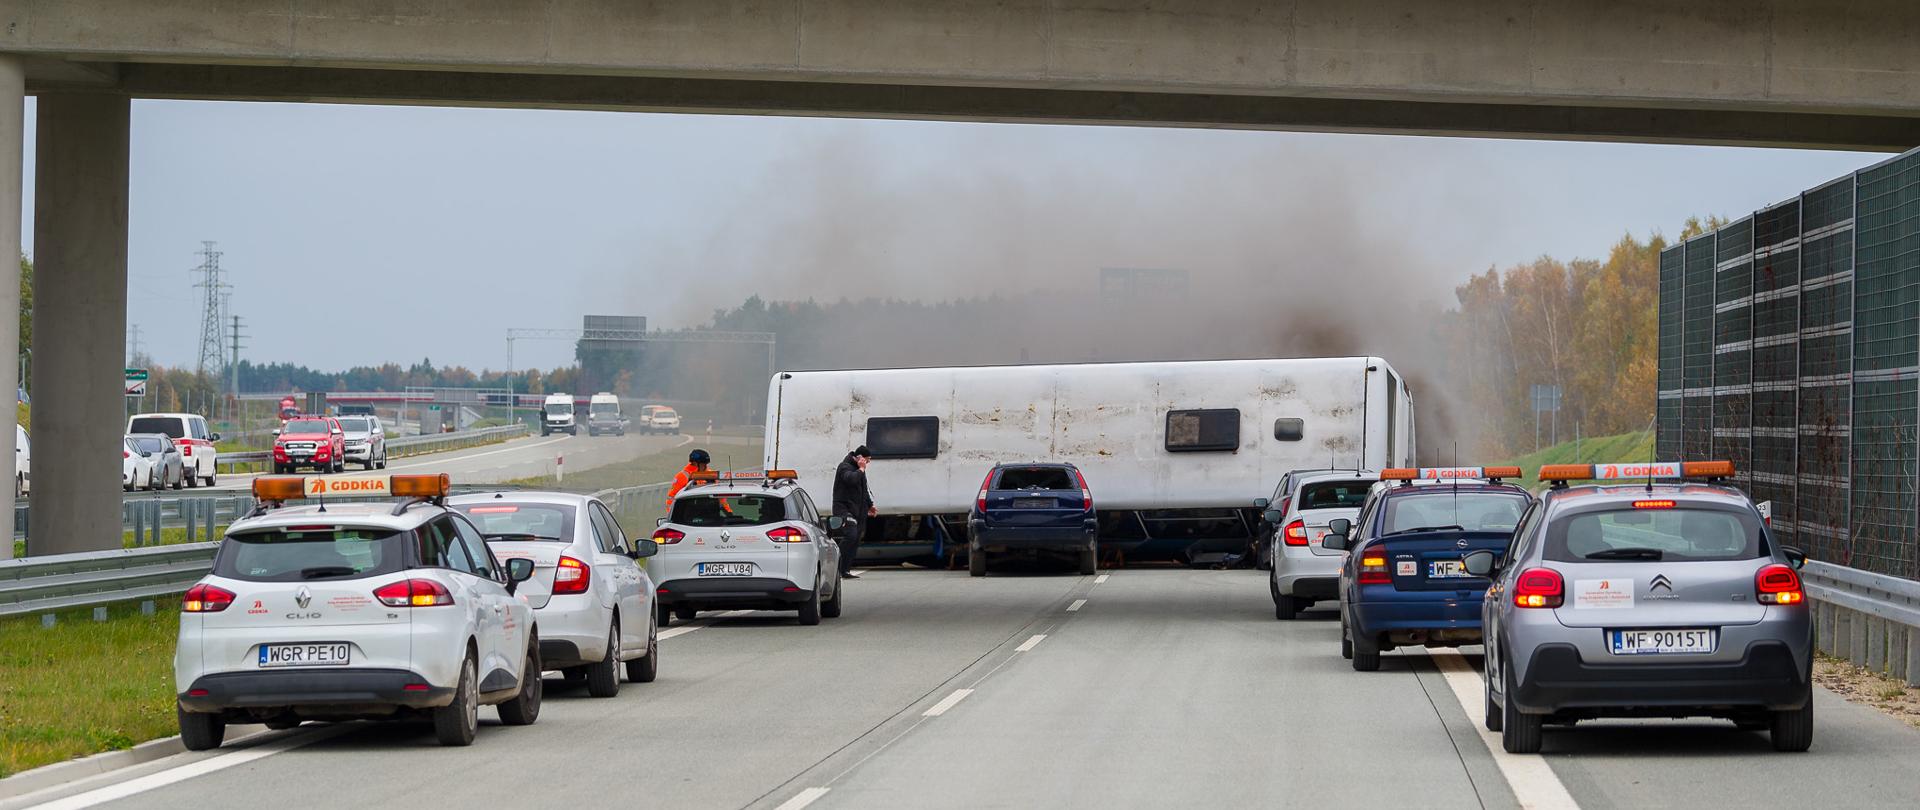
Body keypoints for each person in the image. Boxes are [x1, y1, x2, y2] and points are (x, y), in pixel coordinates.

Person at [831, 445, 876, 579]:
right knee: (850, 535)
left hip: (858, 509)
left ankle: (845, 570)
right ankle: (836, 565)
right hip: (843, 508)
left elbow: (864, 489)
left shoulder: (860, 471)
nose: (867, 463)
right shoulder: (844, 467)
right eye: (866, 460)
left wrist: (870, 505)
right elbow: (850, 479)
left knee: (856, 539)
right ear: (860, 458)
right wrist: (861, 469)